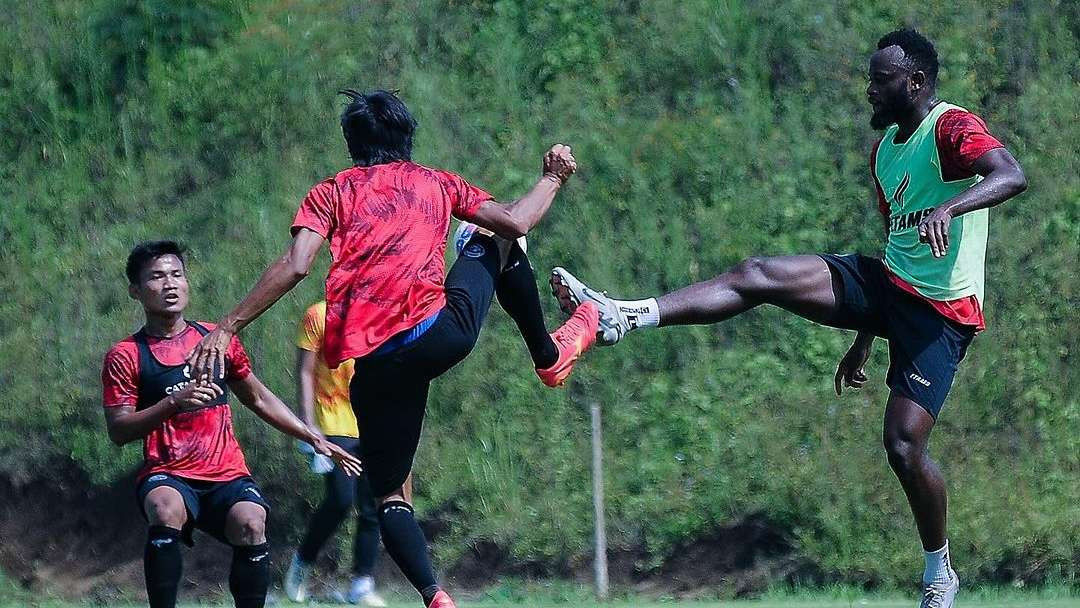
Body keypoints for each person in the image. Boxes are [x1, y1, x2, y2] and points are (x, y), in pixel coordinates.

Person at [549, 29, 1026, 608]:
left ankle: (939, 572)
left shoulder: (950, 127)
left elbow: (1011, 175)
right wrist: (864, 338)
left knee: (902, 446)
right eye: (869, 79)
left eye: (880, 80)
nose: (869, 91)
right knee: (758, 274)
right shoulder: (885, 153)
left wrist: (951, 205)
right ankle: (623, 316)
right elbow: (901, 249)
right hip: (888, 288)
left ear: (916, 82)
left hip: (941, 315)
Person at [186, 89, 599, 608]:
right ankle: (549, 355)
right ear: (408, 138)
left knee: (388, 497)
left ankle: (433, 595)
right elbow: (517, 220)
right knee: (490, 239)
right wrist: (554, 175)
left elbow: (295, 266)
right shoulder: (435, 182)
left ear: (351, 144)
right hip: (438, 334)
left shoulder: (331, 191)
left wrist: (228, 326)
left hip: (376, 369)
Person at [102, 241, 361, 608]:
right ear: (136, 291)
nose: (170, 284)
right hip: (168, 472)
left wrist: (314, 436)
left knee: (252, 521)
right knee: (164, 508)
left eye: (177, 274)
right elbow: (119, 430)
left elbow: (257, 398)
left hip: (225, 472)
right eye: (157, 277)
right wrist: (172, 403)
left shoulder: (216, 341)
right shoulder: (126, 355)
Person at [284, 301, 387, 606]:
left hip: (372, 422)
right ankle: (302, 562)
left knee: (372, 505)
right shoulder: (319, 315)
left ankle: (362, 583)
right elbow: (305, 371)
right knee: (341, 499)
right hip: (332, 421)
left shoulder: (381, 311)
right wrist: (307, 425)